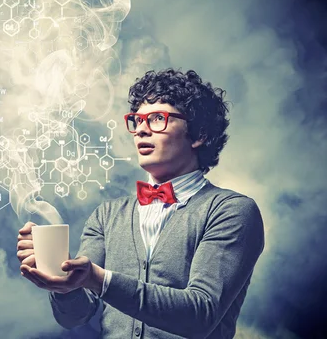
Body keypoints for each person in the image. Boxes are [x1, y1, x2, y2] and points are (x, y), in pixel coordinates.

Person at [17, 69, 265, 338]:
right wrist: (60, 278)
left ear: (198, 134)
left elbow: (200, 314)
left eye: (158, 118)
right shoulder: (107, 215)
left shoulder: (231, 211)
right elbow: (76, 316)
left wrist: (98, 278)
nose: (142, 130)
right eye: (137, 120)